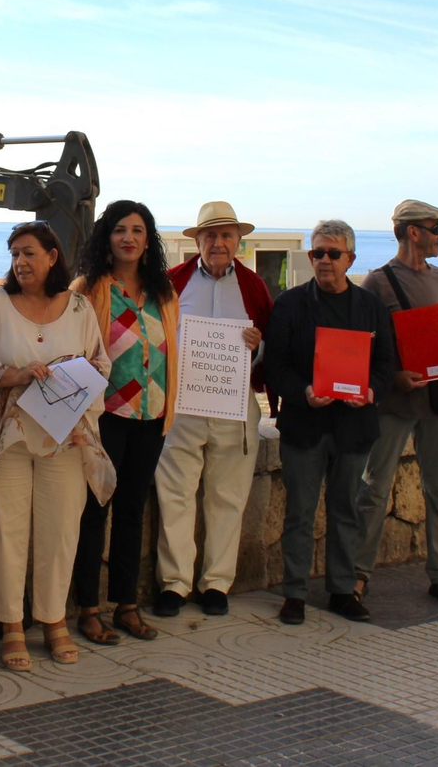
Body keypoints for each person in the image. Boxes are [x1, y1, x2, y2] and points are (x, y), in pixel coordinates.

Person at [0, 222, 113, 672]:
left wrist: (71, 375)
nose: (20, 263)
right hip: (8, 440)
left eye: (29, 253)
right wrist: (16, 375)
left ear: (52, 256)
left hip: (64, 438)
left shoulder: (80, 307)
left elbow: (101, 363)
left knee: (61, 529)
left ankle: (53, 620)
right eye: (13, 255)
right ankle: (11, 624)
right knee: (4, 531)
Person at [264, 220, 396, 625]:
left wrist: (371, 391)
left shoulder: (370, 306)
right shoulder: (290, 304)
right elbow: (275, 366)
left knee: (346, 512)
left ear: (350, 259)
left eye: (333, 254)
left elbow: (387, 365)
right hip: (305, 426)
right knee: (300, 514)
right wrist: (304, 391)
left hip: (353, 427)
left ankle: (342, 591)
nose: (324, 261)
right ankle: (295, 594)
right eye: (317, 253)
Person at [69, 201, 180, 643]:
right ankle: (88, 608)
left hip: (151, 416)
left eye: (137, 230)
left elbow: (172, 350)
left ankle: (126, 605)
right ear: (107, 237)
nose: (128, 238)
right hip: (105, 416)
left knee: (133, 511)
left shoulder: (163, 292)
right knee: (95, 512)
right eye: (120, 230)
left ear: (148, 238)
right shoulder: (89, 288)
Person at [153, 201, 270, 619]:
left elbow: (270, 350)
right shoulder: (172, 284)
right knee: (175, 494)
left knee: (228, 495)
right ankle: (174, 584)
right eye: (210, 235)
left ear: (238, 241)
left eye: (226, 235)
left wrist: (258, 347)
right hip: (182, 407)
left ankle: (217, 583)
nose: (218, 242)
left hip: (234, 407)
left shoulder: (255, 288)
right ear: (197, 241)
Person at [353, 200, 438, 608]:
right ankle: (358, 574)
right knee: (374, 488)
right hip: (395, 404)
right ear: (413, 232)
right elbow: (360, 347)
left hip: (435, 404)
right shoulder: (377, 281)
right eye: (436, 228)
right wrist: (393, 379)